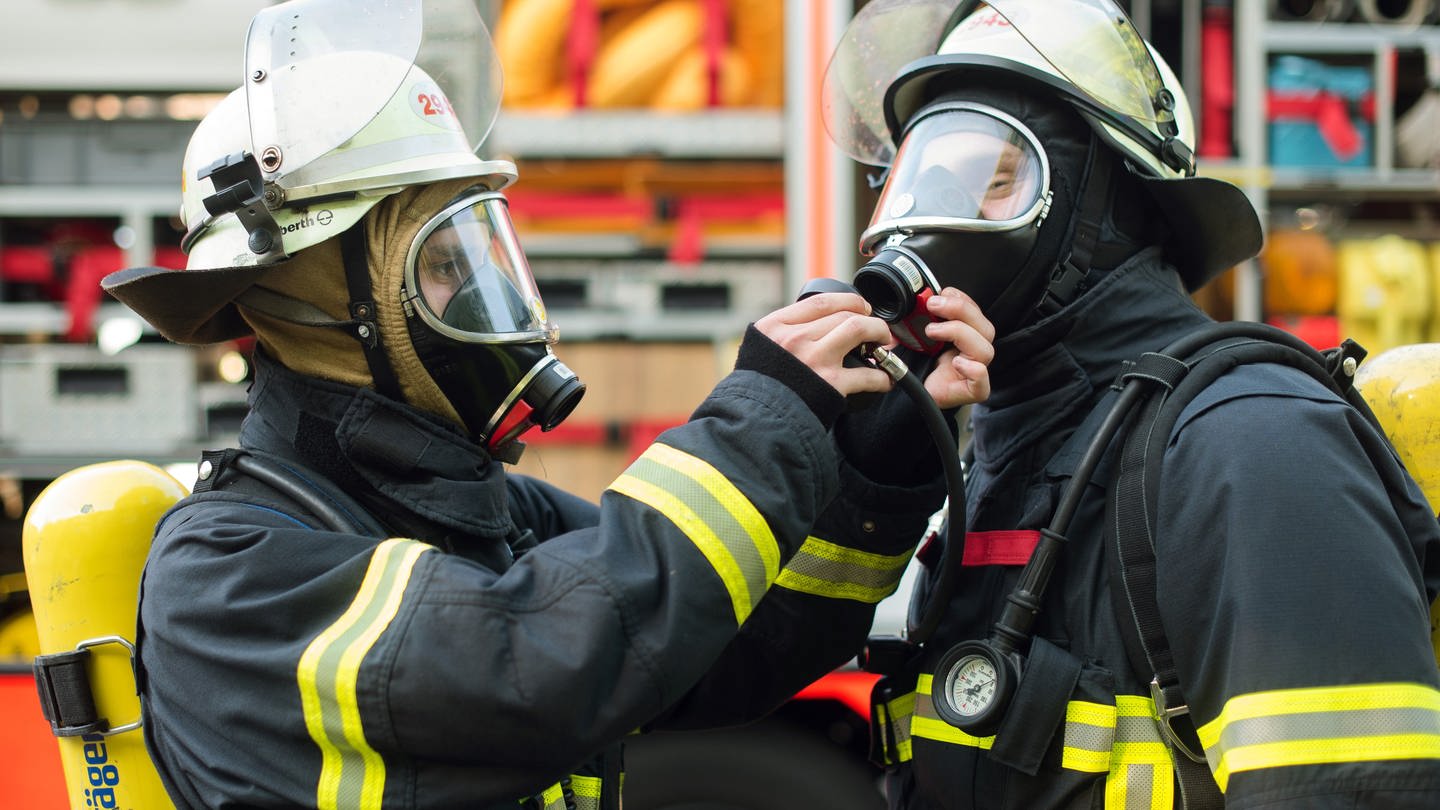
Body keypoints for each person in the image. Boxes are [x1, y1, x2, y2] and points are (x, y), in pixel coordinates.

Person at [98, 1, 994, 808]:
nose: (486, 302)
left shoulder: (466, 509)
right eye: (443, 268)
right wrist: (765, 412)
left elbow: (713, 642)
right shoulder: (230, 576)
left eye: (484, 256)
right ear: (316, 305)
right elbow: (548, 663)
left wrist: (874, 457)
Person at [821, 0, 1440, 807]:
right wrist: (868, 475)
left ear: (1101, 208)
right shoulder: (1004, 452)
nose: (925, 226)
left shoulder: (1252, 443)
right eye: (917, 181)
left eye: (992, 179)